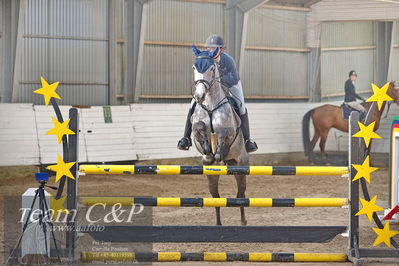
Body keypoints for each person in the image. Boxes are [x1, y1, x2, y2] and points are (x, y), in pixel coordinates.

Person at [177, 34, 258, 153]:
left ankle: (247, 140)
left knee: (241, 106)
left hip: (231, 84)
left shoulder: (228, 60)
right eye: (209, 47)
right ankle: (186, 138)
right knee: (193, 103)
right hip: (209, 87)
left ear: (220, 50)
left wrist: (219, 80)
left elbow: (233, 77)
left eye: (214, 48)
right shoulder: (205, 59)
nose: (211, 50)